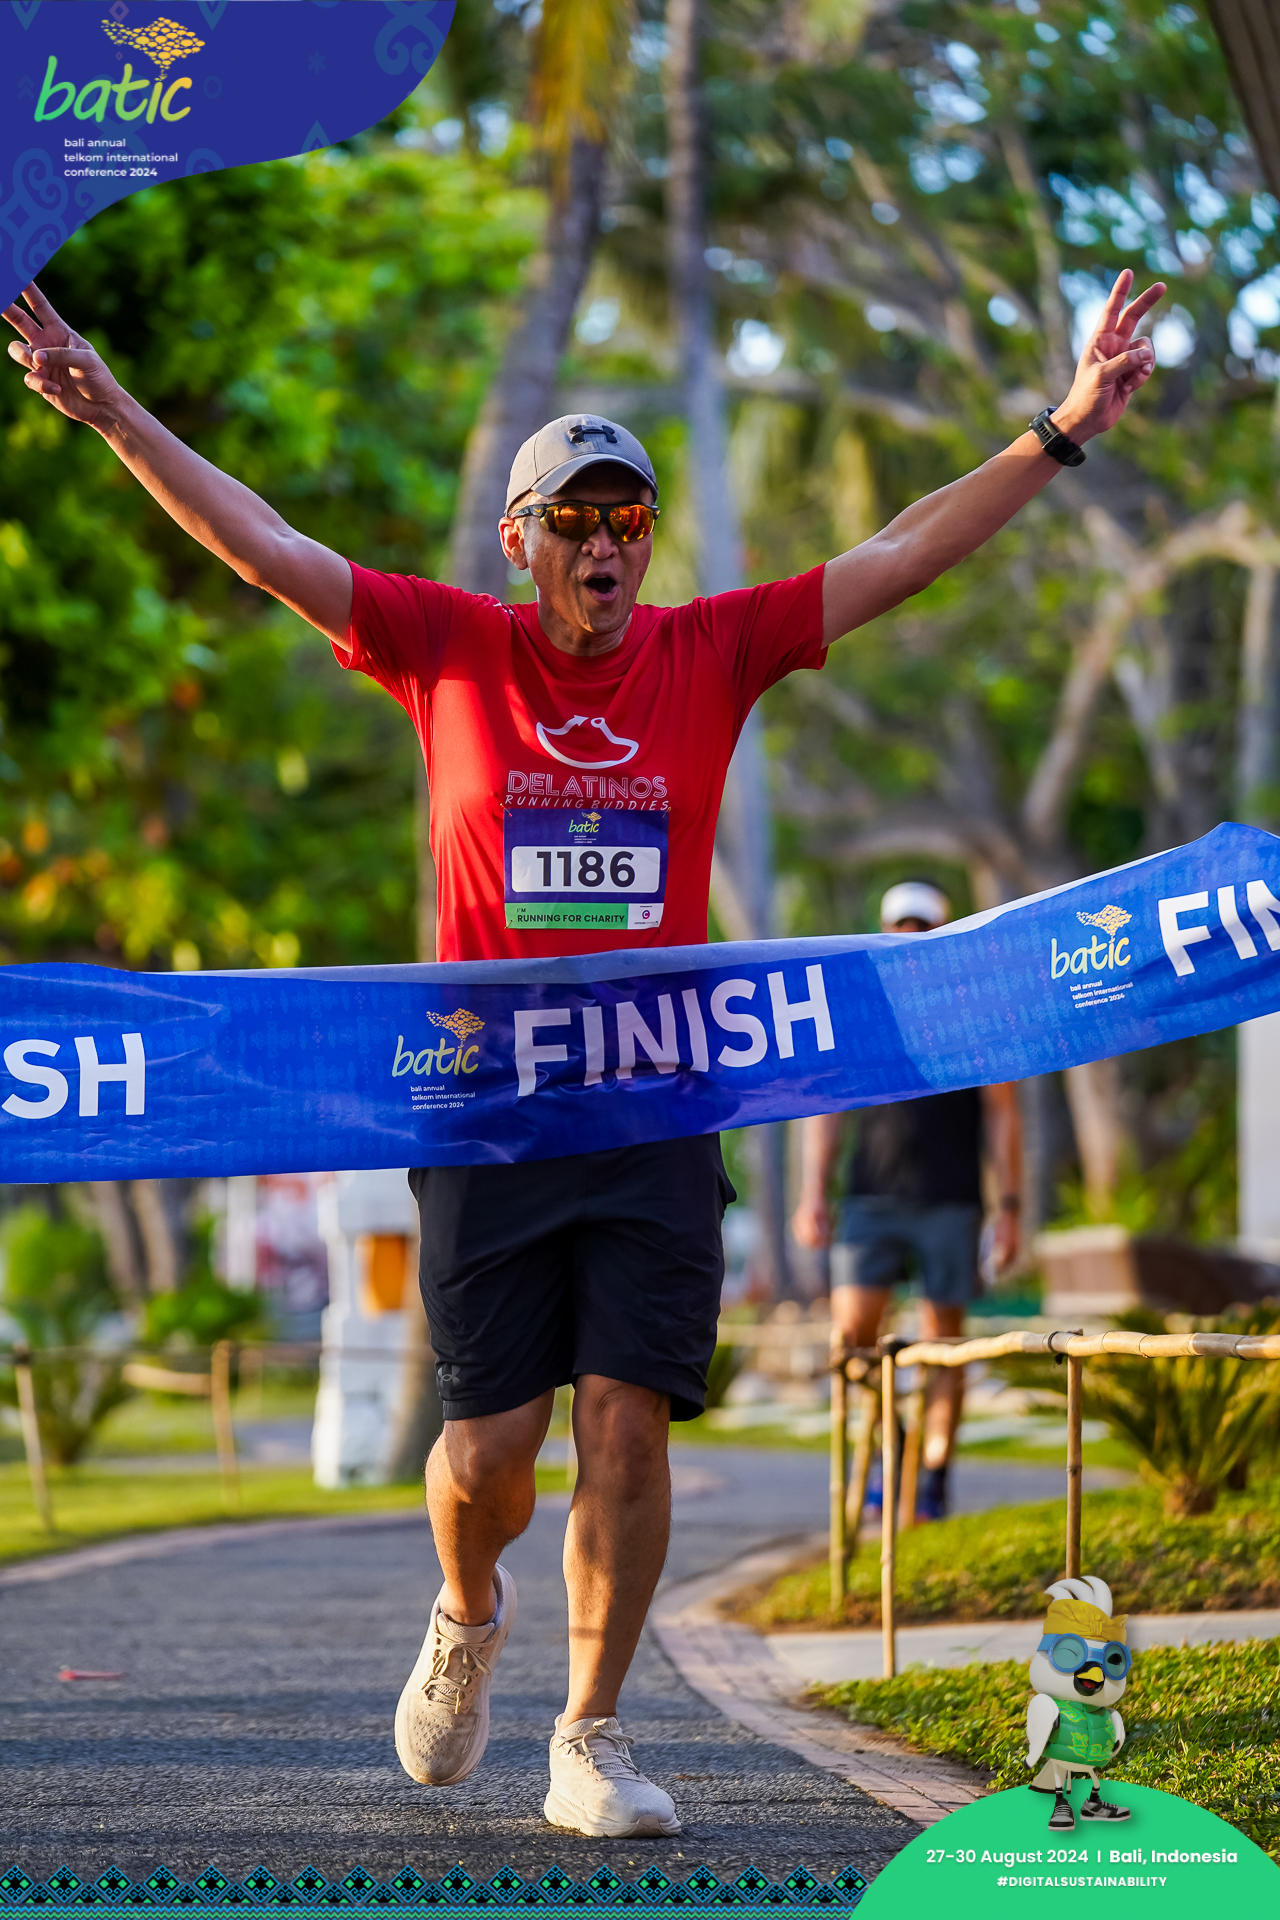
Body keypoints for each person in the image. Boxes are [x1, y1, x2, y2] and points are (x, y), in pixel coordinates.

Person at [5, 267, 1162, 1838]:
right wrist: (114, 415)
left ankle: (592, 1732)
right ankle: (467, 1610)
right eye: (576, 521)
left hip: (658, 1106)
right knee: (489, 1453)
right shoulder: (443, 647)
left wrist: (1061, 430)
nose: (606, 546)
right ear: (521, 539)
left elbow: (899, 551)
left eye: (629, 521)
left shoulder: (711, 650)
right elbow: (266, 544)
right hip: (488, 1114)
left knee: (624, 1417)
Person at [791, 881, 1022, 1522]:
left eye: (923, 927)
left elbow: (1003, 1113)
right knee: (851, 1341)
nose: (910, 937)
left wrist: (1009, 1207)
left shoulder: (974, 1012)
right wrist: (812, 1193)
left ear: (942, 933)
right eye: (901, 926)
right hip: (870, 1199)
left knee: (944, 1342)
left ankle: (934, 1479)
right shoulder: (859, 1012)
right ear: (885, 929)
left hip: (950, 1199)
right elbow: (827, 1106)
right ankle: (894, 1446)